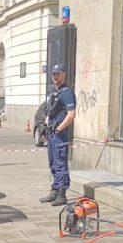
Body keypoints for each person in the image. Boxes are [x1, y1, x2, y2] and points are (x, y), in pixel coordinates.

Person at [40, 63, 76, 206]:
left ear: (63, 74)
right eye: (54, 74)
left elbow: (71, 115)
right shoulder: (54, 93)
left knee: (60, 164)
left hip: (59, 135)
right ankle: (55, 190)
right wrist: (45, 127)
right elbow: (50, 113)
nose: (55, 76)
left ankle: (62, 194)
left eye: (58, 74)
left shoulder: (67, 92)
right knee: (53, 164)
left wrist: (59, 129)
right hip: (52, 134)